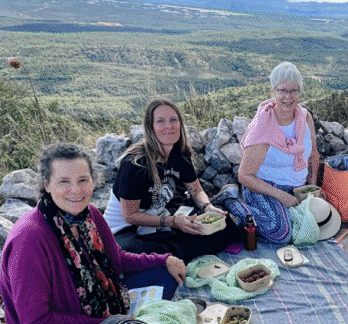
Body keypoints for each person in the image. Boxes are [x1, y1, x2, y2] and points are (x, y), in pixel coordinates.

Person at [0, 142, 187, 324]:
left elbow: (118, 261)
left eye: (82, 180)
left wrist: (164, 259)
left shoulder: (90, 215)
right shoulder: (30, 239)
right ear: (47, 184)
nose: (75, 190)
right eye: (64, 181)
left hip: (100, 304)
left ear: (93, 181)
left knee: (165, 273)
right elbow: (35, 321)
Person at [104, 99, 243, 262]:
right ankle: (167, 256)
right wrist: (173, 222)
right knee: (136, 251)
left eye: (173, 120)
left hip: (160, 224)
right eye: (160, 121)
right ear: (151, 127)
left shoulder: (180, 154)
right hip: (126, 232)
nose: (168, 126)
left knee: (222, 223)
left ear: (180, 123)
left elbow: (196, 190)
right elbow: (130, 216)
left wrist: (208, 207)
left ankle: (170, 256)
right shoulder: (135, 164)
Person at [214, 61, 320, 244]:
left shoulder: (305, 117)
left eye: (294, 91)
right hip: (264, 188)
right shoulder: (263, 126)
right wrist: (282, 196)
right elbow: (245, 176)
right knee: (281, 233)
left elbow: (314, 156)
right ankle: (230, 201)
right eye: (282, 91)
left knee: (313, 225)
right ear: (272, 91)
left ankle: (254, 221)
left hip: (296, 190)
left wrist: (312, 190)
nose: (288, 96)